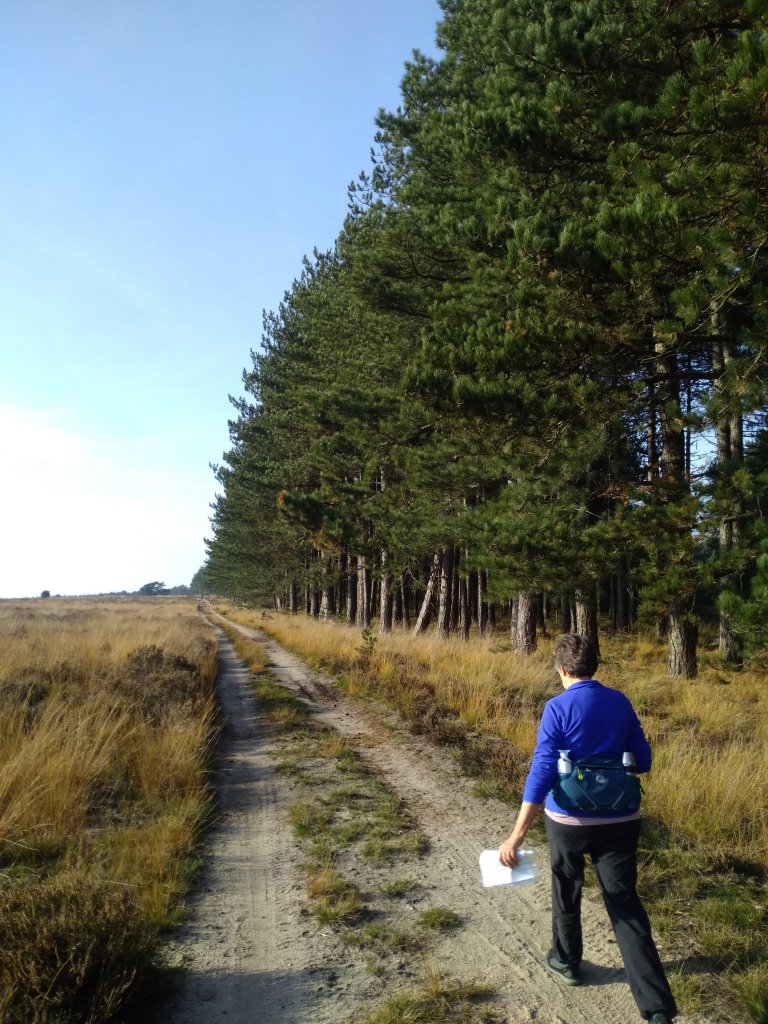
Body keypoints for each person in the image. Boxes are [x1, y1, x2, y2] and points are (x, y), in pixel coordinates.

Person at [499, 633, 677, 1024]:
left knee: (567, 887)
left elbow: (543, 769)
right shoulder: (620, 701)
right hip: (622, 818)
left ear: (562, 669)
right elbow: (643, 760)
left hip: (568, 820)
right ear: (593, 666)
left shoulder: (556, 707)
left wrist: (517, 834)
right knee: (624, 902)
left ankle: (567, 962)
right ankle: (657, 1009)